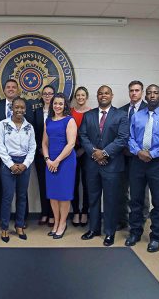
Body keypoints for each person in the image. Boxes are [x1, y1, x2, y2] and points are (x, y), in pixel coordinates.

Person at [125, 84, 159, 252]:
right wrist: (138, 151)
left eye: (156, 93)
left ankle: (156, 237)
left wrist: (153, 153)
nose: (152, 95)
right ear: (145, 97)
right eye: (149, 93)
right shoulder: (136, 116)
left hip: (158, 164)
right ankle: (135, 232)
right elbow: (130, 138)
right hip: (137, 162)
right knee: (135, 200)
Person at [79, 85, 128, 246]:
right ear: (97, 96)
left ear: (111, 95)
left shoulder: (121, 115)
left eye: (106, 93)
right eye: (100, 93)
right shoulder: (88, 115)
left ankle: (109, 232)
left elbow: (122, 139)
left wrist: (104, 153)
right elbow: (83, 136)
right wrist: (95, 153)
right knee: (93, 198)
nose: (103, 95)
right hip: (92, 164)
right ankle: (94, 229)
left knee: (110, 200)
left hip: (112, 165)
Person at [0, 79, 34, 227]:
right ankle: (3, 220)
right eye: (8, 87)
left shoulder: (26, 107)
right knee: (5, 191)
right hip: (3, 156)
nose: (10, 89)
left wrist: (26, 162)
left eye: (13, 87)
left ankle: (22, 220)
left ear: (18, 90)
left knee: (22, 192)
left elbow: (31, 130)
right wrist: (7, 161)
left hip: (24, 158)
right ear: (4, 90)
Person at [0, 97, 36, 242]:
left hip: (24, 164)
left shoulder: (29, 127)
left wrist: (25, 164)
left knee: (22, 196)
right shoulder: (3, 125)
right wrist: (11, 164)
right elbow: (0, 147)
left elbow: (32, 148)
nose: (19, 110)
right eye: (16, 107)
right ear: (12, 108)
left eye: (22, 107)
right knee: (7, 197)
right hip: (8, 164)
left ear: (25, 109)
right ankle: (5, 228)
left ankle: (19, 225)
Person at [42, 93, 77, 239]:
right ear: (52, 105)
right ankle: (56, 222)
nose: (57, 106)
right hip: (50, 162)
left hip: (65, 162)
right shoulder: (48, 121)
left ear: (65, 106)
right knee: (53, 195)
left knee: (64, 195)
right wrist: (48, 159)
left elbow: (71, 144)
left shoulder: (69, 120)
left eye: (60, 104)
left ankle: (62, 223)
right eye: (55, 103)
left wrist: (57, 161)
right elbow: (44, 143)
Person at [118, 80, 150, 230]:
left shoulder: (149, 109)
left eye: (137, 90)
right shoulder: (121, 110)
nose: (134, 93)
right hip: (123, 156)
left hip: (140, 157)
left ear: (142, 92)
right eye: (131, 90)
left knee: (141, 191)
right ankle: (123, 219)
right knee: (122, 189)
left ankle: (141, 219)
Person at [33, 85, 56, 227]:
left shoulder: (58, 112)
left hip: (55, 155)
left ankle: (53, 214)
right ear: (42, 96)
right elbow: (33, 132)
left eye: (50, 94)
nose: (47, 96)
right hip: (40, 154)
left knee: (53, 185)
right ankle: (45, 213)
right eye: (45, 94)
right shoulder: (35, 112)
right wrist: (40, 148)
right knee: (42, 184)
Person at [70, 86, 91, 227]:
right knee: (73, 183)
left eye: (83, 95)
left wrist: (83, 149)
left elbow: (94, 134)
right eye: (78, 95)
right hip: (71, 150)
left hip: (87, 151)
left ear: (86, 97)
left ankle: (85, 211)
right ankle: (76, 211)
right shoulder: (70, 112)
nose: (80, 97)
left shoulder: (92, 113)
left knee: (87, 183)